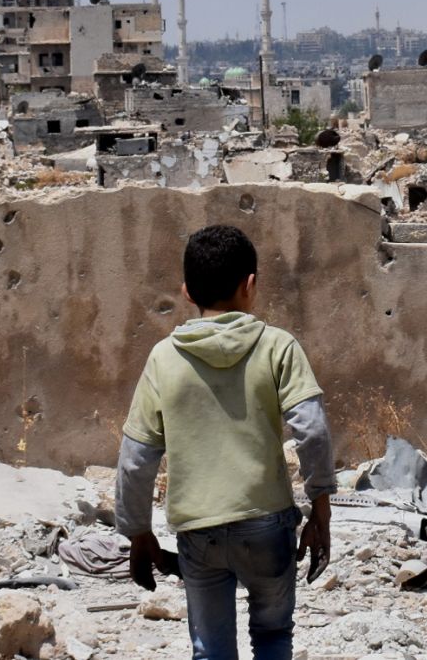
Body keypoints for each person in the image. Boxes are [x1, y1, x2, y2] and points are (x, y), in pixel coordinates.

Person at [115, 225, 335, 660]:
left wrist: (138, 534)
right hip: (267, 525)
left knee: (211, 651)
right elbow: (312, 429)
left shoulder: (163, 357)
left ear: (186, 292)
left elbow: (136, 458)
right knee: (273, 637)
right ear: (249, 285)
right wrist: (320, 509)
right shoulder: (278, 347)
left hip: (198, 531)